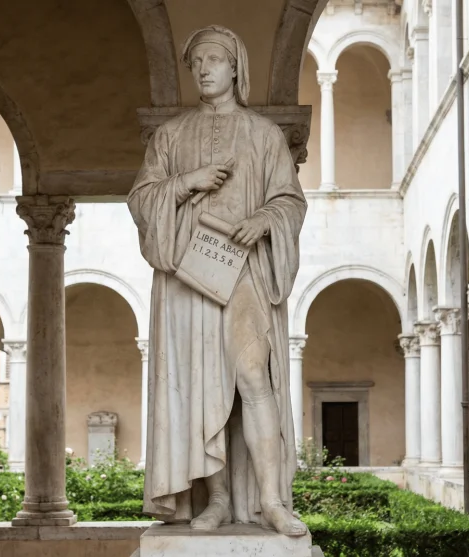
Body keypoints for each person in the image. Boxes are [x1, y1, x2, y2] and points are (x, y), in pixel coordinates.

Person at [127, 25, 308, 536]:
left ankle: (271, 500)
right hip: (190, 276)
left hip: (246, 271)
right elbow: (141, 200)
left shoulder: (264, 134)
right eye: (196, 63)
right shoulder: (171, 136)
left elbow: (291, 200)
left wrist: (266, 219)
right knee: (204, 390)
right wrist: (187, 183)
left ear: (235, 68)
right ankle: (219, 500)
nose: (203, 69)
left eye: (212, 59)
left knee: (253, 378)